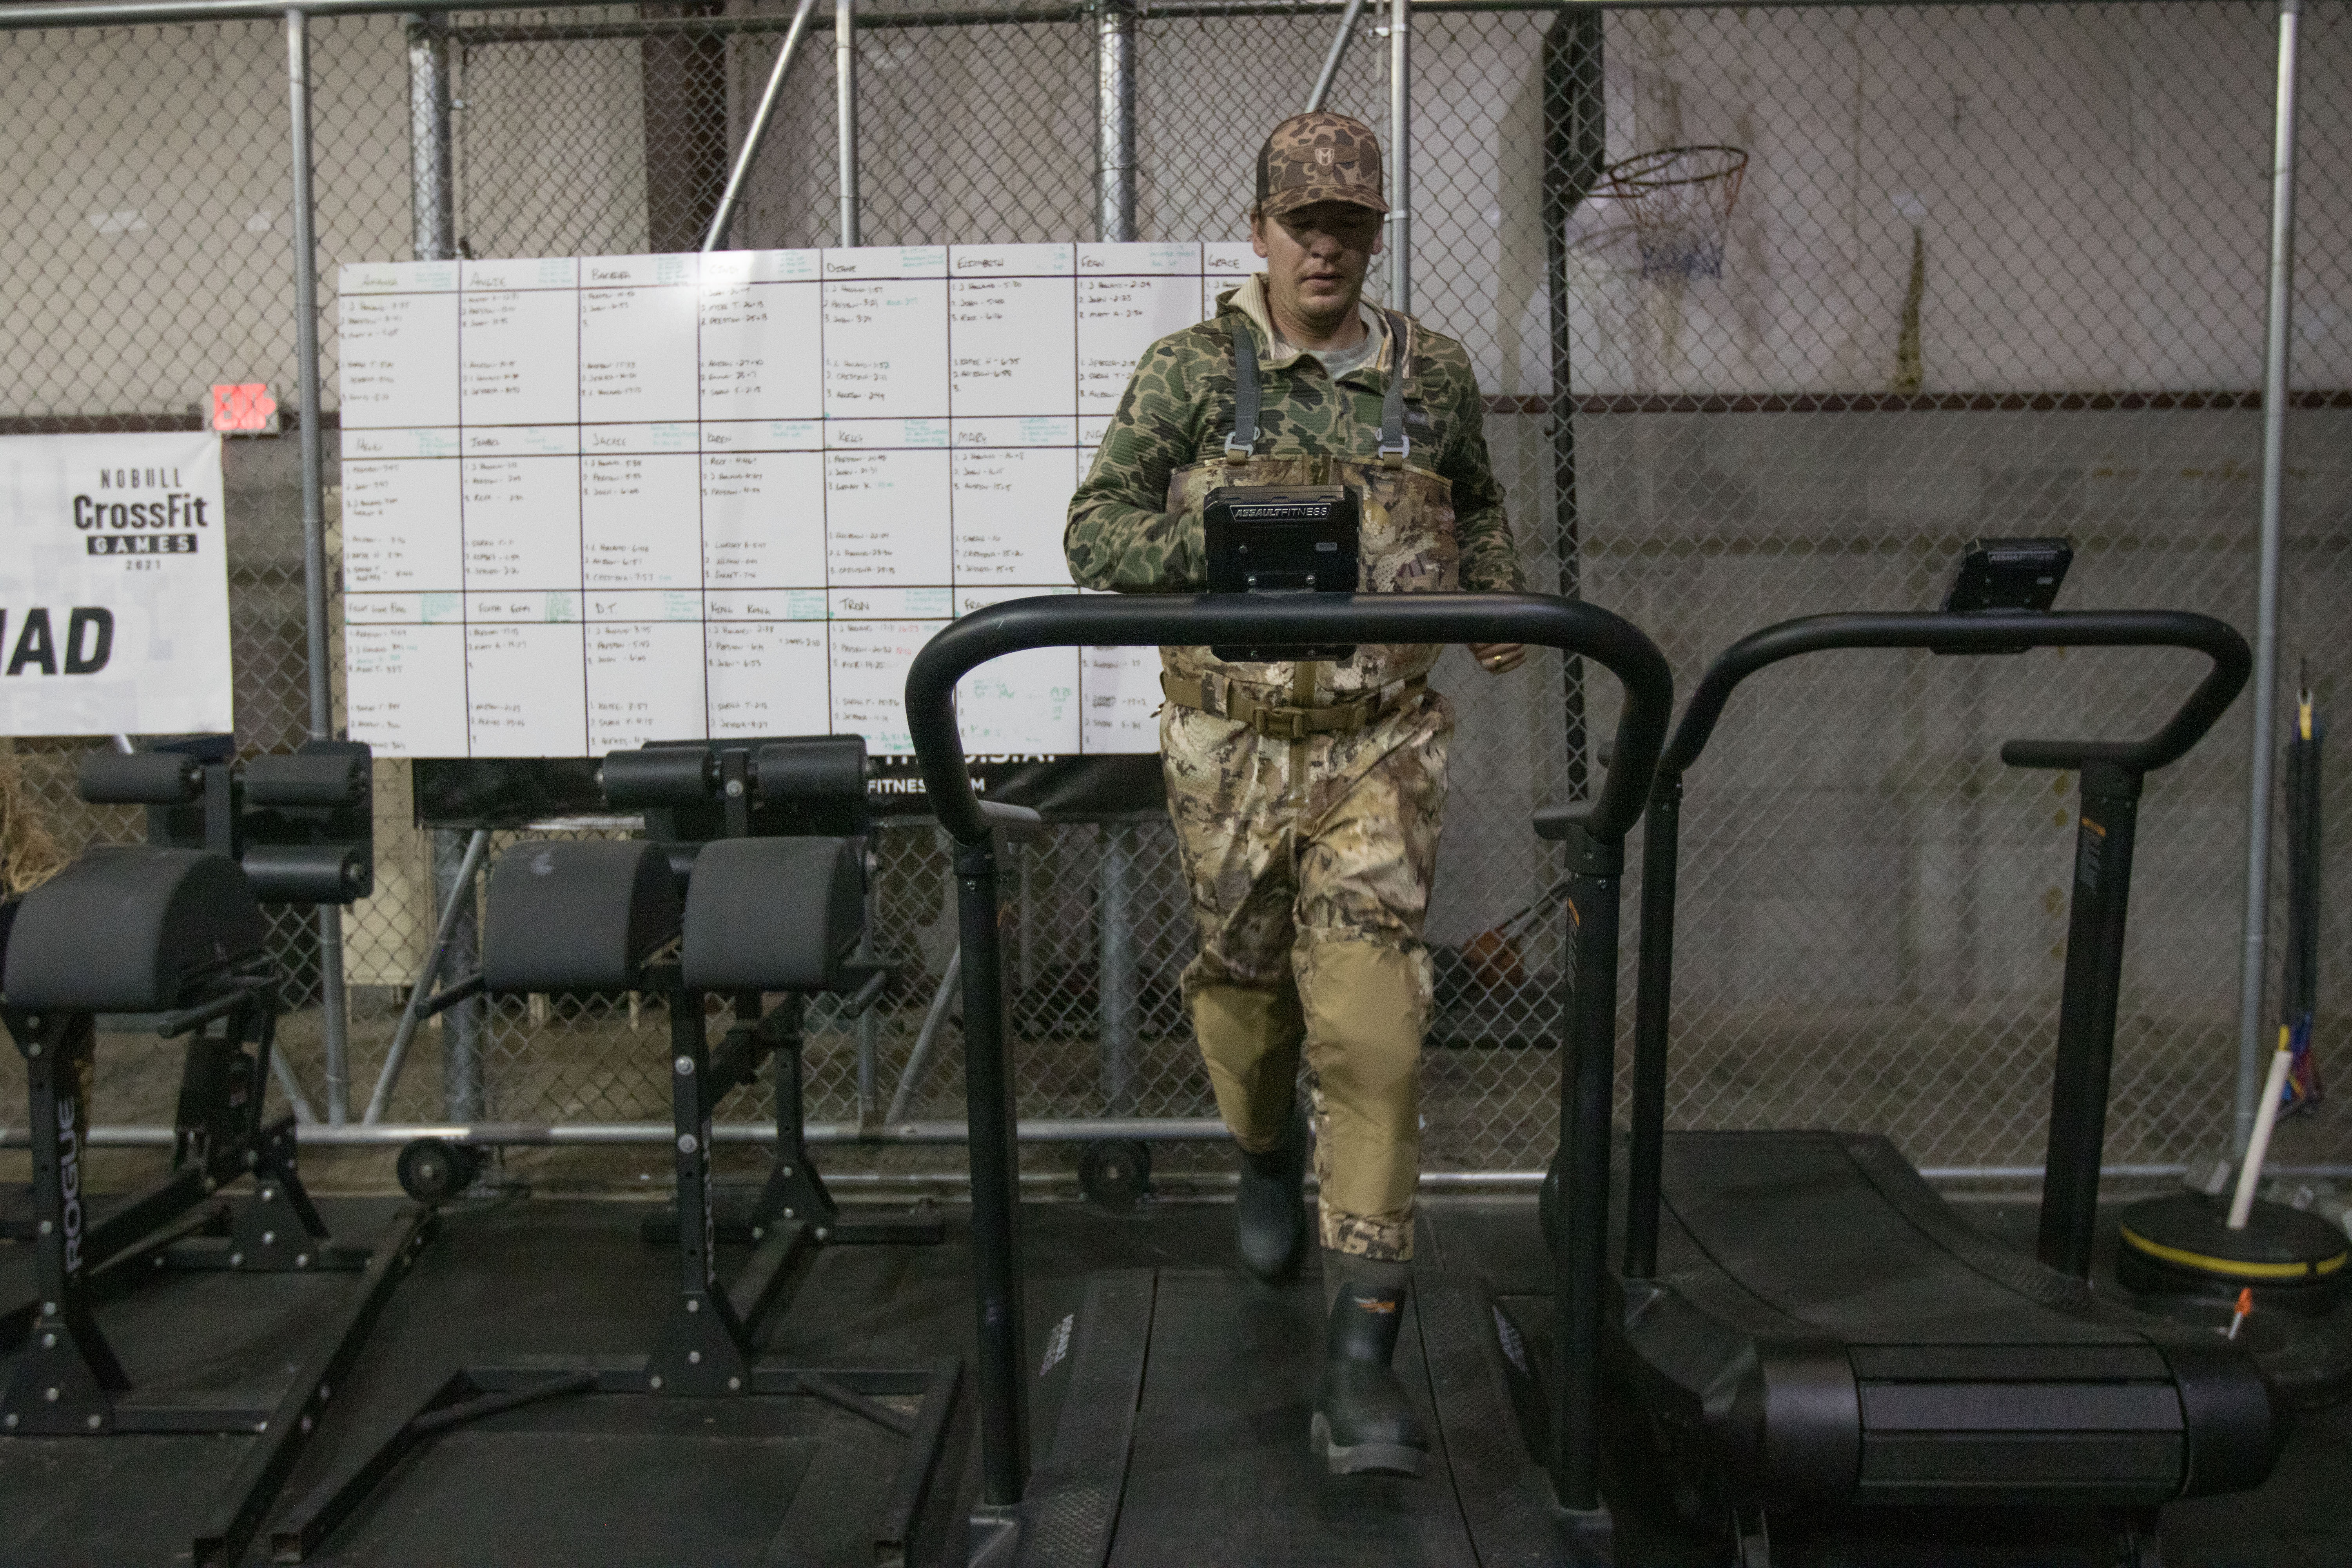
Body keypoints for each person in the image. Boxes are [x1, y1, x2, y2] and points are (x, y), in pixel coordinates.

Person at [1064, 110, 1526, 1477]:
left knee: (1375, 1034)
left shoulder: (1434, 374)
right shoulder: (1191, 372)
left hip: (1382, 746)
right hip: (1231, 749)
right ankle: (1263, 1149)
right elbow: (1094, 531)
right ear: (1260, 230)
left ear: (1375, 236)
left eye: (1351, 227)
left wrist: (1499, 601)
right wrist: (1223, 546)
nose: (1326, 249)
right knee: (1248, 997)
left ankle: (1361, 1360)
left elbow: (1478, 503)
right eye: (1303, 224)